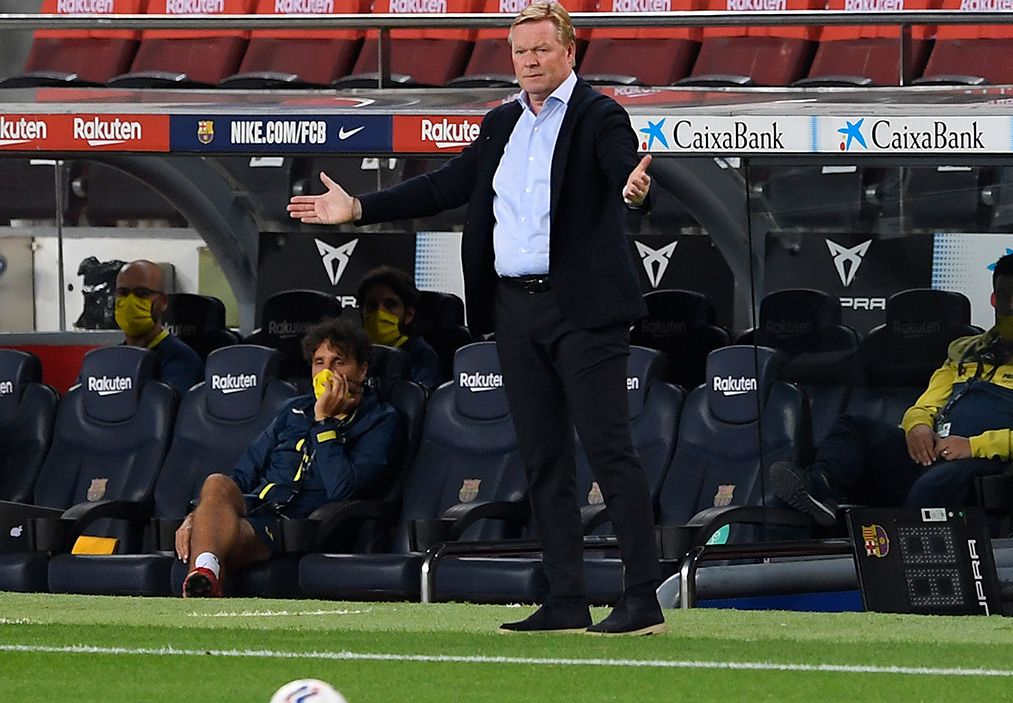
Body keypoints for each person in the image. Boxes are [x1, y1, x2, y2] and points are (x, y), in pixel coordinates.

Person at [287, 3, 664, 635]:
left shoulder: (600, 115)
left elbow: (622, 166)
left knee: (608, 451)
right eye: (520, 53)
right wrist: (357, 208)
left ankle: (643, 600)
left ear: (571, 52)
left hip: (583, 311)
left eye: (542, 50)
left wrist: (637, 190)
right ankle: (567, 600)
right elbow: (442, 186)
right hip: (515, 310)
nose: (529, 62)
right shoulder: (499, 125)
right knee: (543, 458)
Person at [771, 253, 1013, 523]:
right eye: (1005, 297)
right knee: (853, 427)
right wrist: (917, 428)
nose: (1012, 306)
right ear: (993, 299)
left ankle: (905, 589)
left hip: (992, 463)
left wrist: (973, 446)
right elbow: (924, 405)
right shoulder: (967, 348)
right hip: (934, 451)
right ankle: (819, 488)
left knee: (932, 487)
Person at [175, 318, 398, 597]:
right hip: (259, 510)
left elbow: (343, 489)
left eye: (338, 362)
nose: (326, 372)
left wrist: (324, 422)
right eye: (319, 362)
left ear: (362, 370)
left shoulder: (380, 419)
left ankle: (203, 573)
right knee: (217, 483)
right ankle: (204, 574)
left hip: (303, 527)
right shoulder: (293, 410)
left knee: (222, 534)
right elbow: (243, 475)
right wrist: (198, 516)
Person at [113, 260, 202, 396]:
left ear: (163, 302)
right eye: (123, 293)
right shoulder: (107, 360)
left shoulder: (182, 360)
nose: (130, 301)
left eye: (142, 293)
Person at [356, 266, 446, 388]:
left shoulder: (422, 358)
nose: (379, 312)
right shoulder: (354, 352)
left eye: (390, 305)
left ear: (408, 314)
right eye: (372, 305)